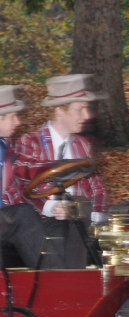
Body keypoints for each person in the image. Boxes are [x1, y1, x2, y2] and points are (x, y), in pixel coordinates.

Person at [4, 75, 108, 268]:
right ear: (60, 110)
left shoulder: (83, 145)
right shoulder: (30, 143)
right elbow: (21, 186)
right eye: (80, 109)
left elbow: (97, 189)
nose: (87, 116)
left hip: (82, 218)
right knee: (67, 228)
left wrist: (97, 216)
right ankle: (68, 287)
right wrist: (54, 207)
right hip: (47, 220)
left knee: (128, 213)